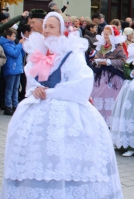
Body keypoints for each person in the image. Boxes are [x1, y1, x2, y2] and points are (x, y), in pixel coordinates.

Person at [0, 12, 123, 198]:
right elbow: (31, 79)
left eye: (51, 27)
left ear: (61, 30)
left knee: (65, 154)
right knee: (38, 155)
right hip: (39, 110)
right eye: (45, 27)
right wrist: (35, 89)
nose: (47, 31)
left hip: (67, 111)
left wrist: (49, 92)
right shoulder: (39, 53)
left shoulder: (71, 54)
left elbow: (81, 84)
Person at [91, 25, 127, 126]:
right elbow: (96, 57)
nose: (105, 36)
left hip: (113, 77)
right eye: (104, 34)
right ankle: (99, 120)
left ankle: (111, 122)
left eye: (107, 34)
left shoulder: (118, 47)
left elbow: (123, 61)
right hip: (100, 76)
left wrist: (109, 62)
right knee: (99, 96)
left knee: (111, 98)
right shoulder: (102, 47)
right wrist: (96, 61)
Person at [0, 28, 24, 116]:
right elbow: (14, 54)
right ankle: (8, 106)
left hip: (17, 69)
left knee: (15, 88)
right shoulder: (6, 44)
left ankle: (15, 105)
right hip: (11, 69)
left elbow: (20, 54)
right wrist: (20, 45)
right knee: (9, 89)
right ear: (8, 36)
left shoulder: (14, 43)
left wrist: (21, 46)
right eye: (13, 36)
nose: (15, 38)